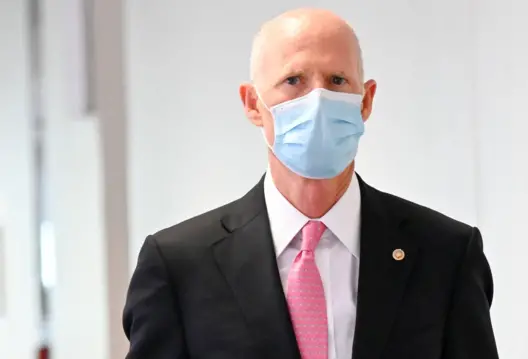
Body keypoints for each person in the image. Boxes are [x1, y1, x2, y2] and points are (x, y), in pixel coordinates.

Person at [123, 8, 499, 359]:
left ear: (365, 101)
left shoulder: (445, 255)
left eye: (337, 80)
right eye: (294, 81)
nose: (318, 98)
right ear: (253, 103)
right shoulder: (180, 265)